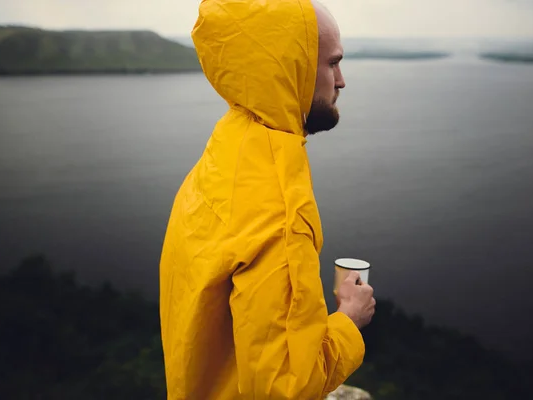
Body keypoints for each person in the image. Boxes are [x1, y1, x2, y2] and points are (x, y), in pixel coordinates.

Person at [159, 0, 376, 398]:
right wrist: (349, 318)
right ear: (289, 68)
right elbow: (284, 387)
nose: (341, 80)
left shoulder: (226, 149)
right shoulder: (278, 208)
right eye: (332, 63)